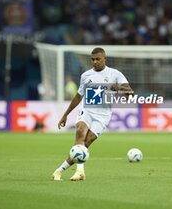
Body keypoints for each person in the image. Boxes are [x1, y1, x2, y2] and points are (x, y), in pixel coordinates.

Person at [52, 47, 132, 181]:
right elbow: (78, 96)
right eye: (93, 59)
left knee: (87, 142)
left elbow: (130, 93)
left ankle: (59, 170)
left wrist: (119, 88)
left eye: (98, 59)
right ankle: (80, 171)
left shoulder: (115, 74)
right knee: (80, 132)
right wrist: (65, 115)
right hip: (87, 110)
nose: (95, 62)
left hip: (103, 115)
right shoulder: (86, 76)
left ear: (104, 59)